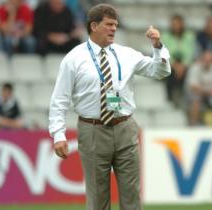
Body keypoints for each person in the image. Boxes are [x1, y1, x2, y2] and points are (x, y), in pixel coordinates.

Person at [48, 4, 170, 210]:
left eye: (116, 25)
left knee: (132, 195)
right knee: (97, 197)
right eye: (109, 24)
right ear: (94, 26)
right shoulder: (74, 58)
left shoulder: (126, 54)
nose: (114, 29)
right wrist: (58, 134)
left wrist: (157, 46)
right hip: (93, 130)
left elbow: (159, 72)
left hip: (125, 128)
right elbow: (60, 99)